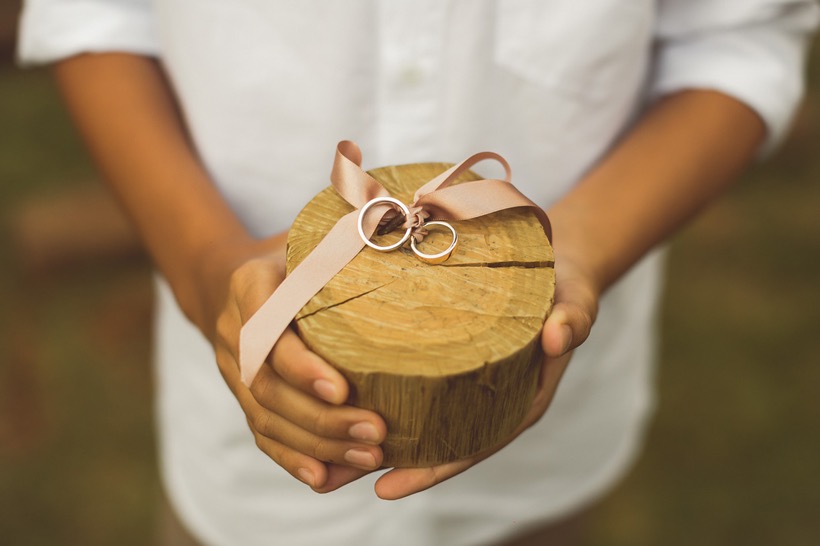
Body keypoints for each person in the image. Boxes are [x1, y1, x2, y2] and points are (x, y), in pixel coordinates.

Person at [18, 1, 818, 544]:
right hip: (246, 478)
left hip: (547, 460)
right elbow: (93, 12)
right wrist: (204, 267)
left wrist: (579, 248)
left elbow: (736, 33)